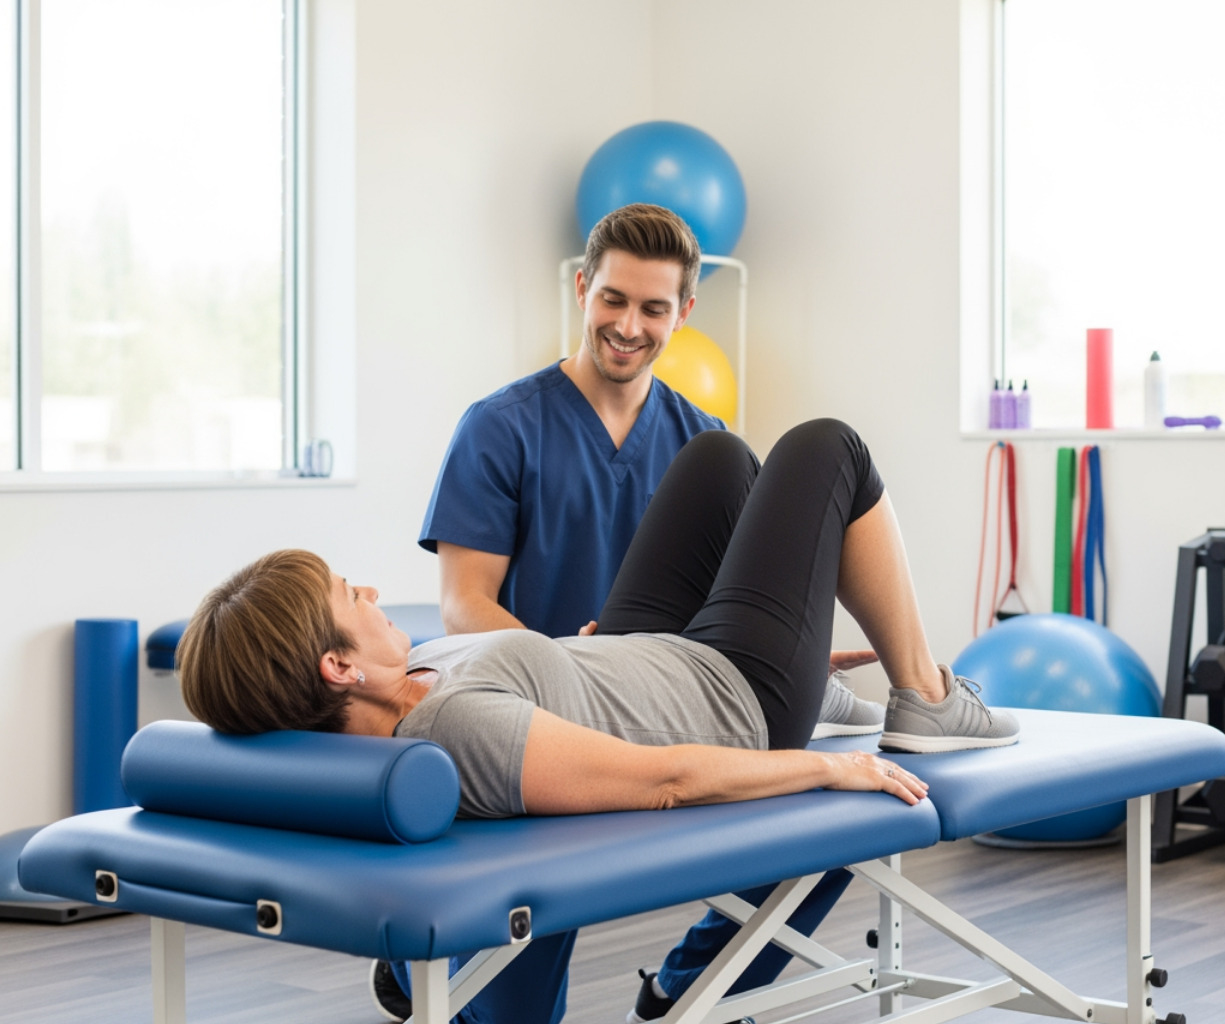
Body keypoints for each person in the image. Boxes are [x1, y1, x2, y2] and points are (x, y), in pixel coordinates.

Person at [180, 420, 1019, 1022]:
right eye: (345, 594)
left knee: (718, 458)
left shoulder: (404, 683)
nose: (366, 589)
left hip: (639, 653)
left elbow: (541, 686)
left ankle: (822, 688)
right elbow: (666, 779)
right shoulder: (454, 733)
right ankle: (928, 697)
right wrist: (832, 767)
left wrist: (577, 658)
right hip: (736, 696)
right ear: (338, 668)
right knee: (828, 450)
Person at [414, 203, 882, 1023]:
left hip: (667, 714)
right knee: (505, 1011)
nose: (628, 326)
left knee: (836, 826)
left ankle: (685, 988)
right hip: (543, 732)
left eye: (653, 308)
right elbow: (465, 605)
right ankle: (428, 968)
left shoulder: (702, 440)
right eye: (613, 300)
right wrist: (572, 664)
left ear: (684, 313)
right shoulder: (500, 429)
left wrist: (802, 655)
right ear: (582, 287)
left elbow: (729, 608)